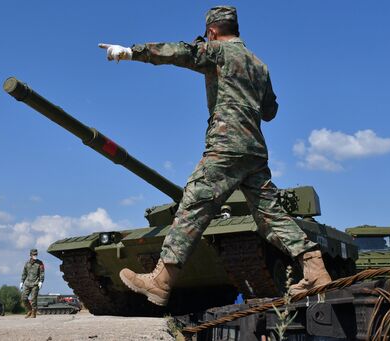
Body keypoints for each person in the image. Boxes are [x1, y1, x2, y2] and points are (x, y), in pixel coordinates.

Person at [98, 6, 332, 306]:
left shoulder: (217, 51)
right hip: (255, 150)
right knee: (271, 215)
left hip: (226, 145)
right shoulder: (259, 65)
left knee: (193, 205)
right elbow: (270, 111)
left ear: (212, 31)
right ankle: (316, 269)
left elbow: (182, 52)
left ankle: (161, 280)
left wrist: (131, 52)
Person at [20, 248, 44, 318]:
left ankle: (34, 313)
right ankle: (29, 310)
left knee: (33, 299)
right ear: (30, 255)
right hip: (27, 283)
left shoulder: (40, 263)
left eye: (36, 254)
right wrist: (22, 281)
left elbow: (42, 273)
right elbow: (24, 273)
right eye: (34, 254)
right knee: (24, 298)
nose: (35, 255)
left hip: (35, 284)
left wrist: (41, 281)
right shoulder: (26, 263)